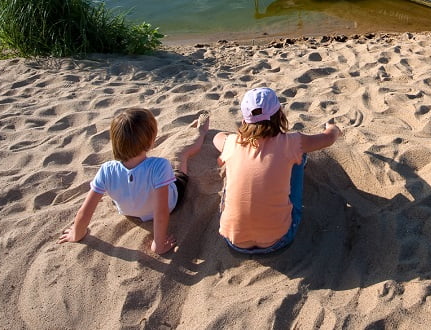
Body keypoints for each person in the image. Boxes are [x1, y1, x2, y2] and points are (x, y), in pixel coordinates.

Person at [58, 108, 208, 255]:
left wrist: (77, 234)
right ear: (150, 142)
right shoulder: (160, 165)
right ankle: (201, 132)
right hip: (170, 205)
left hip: (128, 211)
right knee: (181, 157)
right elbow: (161, 211)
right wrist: (158, 244)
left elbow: (85, 210)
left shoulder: (106, 169)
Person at [213, 87, 341, 254]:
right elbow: (328, 138)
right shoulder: (293, 142)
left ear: (244, 119)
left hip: (234, 241)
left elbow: (217, 138)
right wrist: (333, 128)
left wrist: (236, 137)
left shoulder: (231, 142)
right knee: (299, 156)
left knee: (231, 164)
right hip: (279, 240)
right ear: (280, 113)